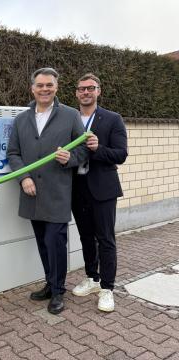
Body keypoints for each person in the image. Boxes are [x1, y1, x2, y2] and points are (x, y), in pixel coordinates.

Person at [6, 67, 88, 315]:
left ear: (56, 87)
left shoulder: (71, 115)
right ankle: (50, 284)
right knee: (43, 243)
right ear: (32, 88)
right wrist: (24, 178)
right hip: (31, 193)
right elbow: (13, 153)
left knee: (55, 243)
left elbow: (83, 150)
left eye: (49, 85)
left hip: (57, 194)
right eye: (40, 85)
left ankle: (58, 291)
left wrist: (69, 158)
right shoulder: (21, 120)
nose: (44, 89)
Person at [71, 73, 128, 312]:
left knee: (105, 239)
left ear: (98, 91)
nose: (86, 92)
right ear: (76, 93)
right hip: (77, 187)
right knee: (85, 237)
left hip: (103, 188)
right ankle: (92, 278)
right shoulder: (70, 119)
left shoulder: (112, 119)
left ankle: (107, 288)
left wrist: (98, 149)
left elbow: (120, 154)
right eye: (82, 89)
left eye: (90, 88)